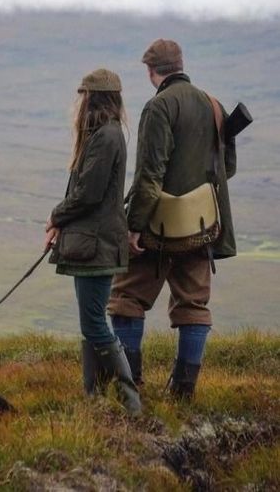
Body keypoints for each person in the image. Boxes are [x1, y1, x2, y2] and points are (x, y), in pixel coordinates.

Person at [108, 39, 237, 400]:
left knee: (127, 297)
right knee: (194, 305)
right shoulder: (214, 106)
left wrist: (134, 227)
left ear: (151, 71)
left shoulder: (158, 107)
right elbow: (228, 167)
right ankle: (183, 392)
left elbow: (150, 176)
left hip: (158, 229)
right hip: (202, 226)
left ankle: (129, 389)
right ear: (180, 64)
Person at [45, 68, 141, 415]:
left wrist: (56, 216)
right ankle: (95, 399)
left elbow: (87, 194)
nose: (80, 103)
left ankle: (130, 403)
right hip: (91, 243)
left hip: (96, 245)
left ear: (94, 99)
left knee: (95, 323)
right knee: (92, 322)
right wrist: (61, 224)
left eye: (84, 96)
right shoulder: (106, 134)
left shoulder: (105, 138)